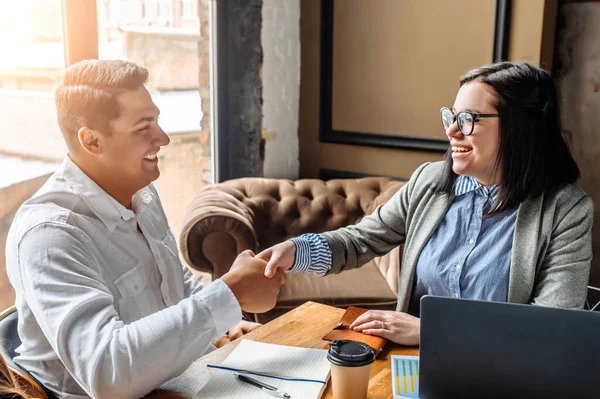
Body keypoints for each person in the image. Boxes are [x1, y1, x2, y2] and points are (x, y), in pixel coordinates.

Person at [258, 61, 593, 346]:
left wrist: (434, 332)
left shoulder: (566, 210)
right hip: (412, 364)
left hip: (503, 375)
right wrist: (294, 250)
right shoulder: (429, 181)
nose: (451, 130)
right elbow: (361, 240)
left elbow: (552, 327)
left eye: (468, 119)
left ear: (519, 128)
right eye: (451, 116)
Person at [5, 60, 286, 399]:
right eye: (144, 127)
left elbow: (172, 281)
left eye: (157, 120)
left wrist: (224, 324)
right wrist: (229, 293)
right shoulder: (49, 236)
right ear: (91, 141)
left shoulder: (141, 193)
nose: (163, 138)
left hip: (177, 381)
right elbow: (108, 375)